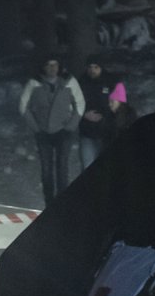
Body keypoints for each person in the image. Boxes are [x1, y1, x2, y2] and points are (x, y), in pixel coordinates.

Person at [18, 57, 84, 205]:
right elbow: (23, 106)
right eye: (48, 65)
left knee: (62, 167)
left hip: (64, 131)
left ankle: (62, 202)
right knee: (46, 169)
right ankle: (49, 202)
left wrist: (71, 126)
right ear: (43, 67)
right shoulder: (34, 83)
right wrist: (36, 127)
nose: (52, 68)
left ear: (59, 66)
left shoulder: (69, 82)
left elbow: (79, 103)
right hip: (43, 132)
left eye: (55, 65)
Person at [75, 56, 121, 173]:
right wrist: (84, 114)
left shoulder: (112, 82)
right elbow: (73, 104)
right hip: (87, 132)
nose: (93, 70)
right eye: (90, 67)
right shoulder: (80, 82)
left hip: (107, 132)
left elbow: (119, 105)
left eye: (96, 67)